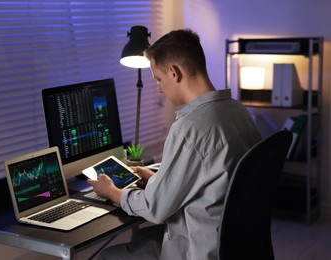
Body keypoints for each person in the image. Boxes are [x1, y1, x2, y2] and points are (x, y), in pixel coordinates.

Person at [87, 28, 262, 260]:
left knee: (107, 256)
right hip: (237, 245)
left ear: (174, 72)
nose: (159, 88)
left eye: (158, 79)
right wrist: (156, 177)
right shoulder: (238, 111)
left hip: (198, 250)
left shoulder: (190, 129)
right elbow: (211, 176)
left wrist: (112, 192)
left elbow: (154, 208)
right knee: (142, 239)